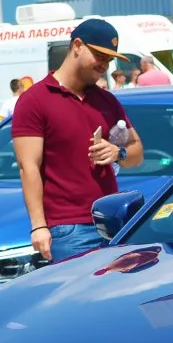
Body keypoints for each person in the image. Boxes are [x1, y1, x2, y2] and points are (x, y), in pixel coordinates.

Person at [12, 18, 144, 264]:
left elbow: (137, 151)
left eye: (109, 59)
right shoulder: (35, 100)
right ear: (77, 45)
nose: (105, 65)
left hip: (115, 223)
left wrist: (118, 153)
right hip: (68, 230)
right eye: (100, 55)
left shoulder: (107, 102)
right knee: (78, 301)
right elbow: (27, 166)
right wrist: (38, 226)